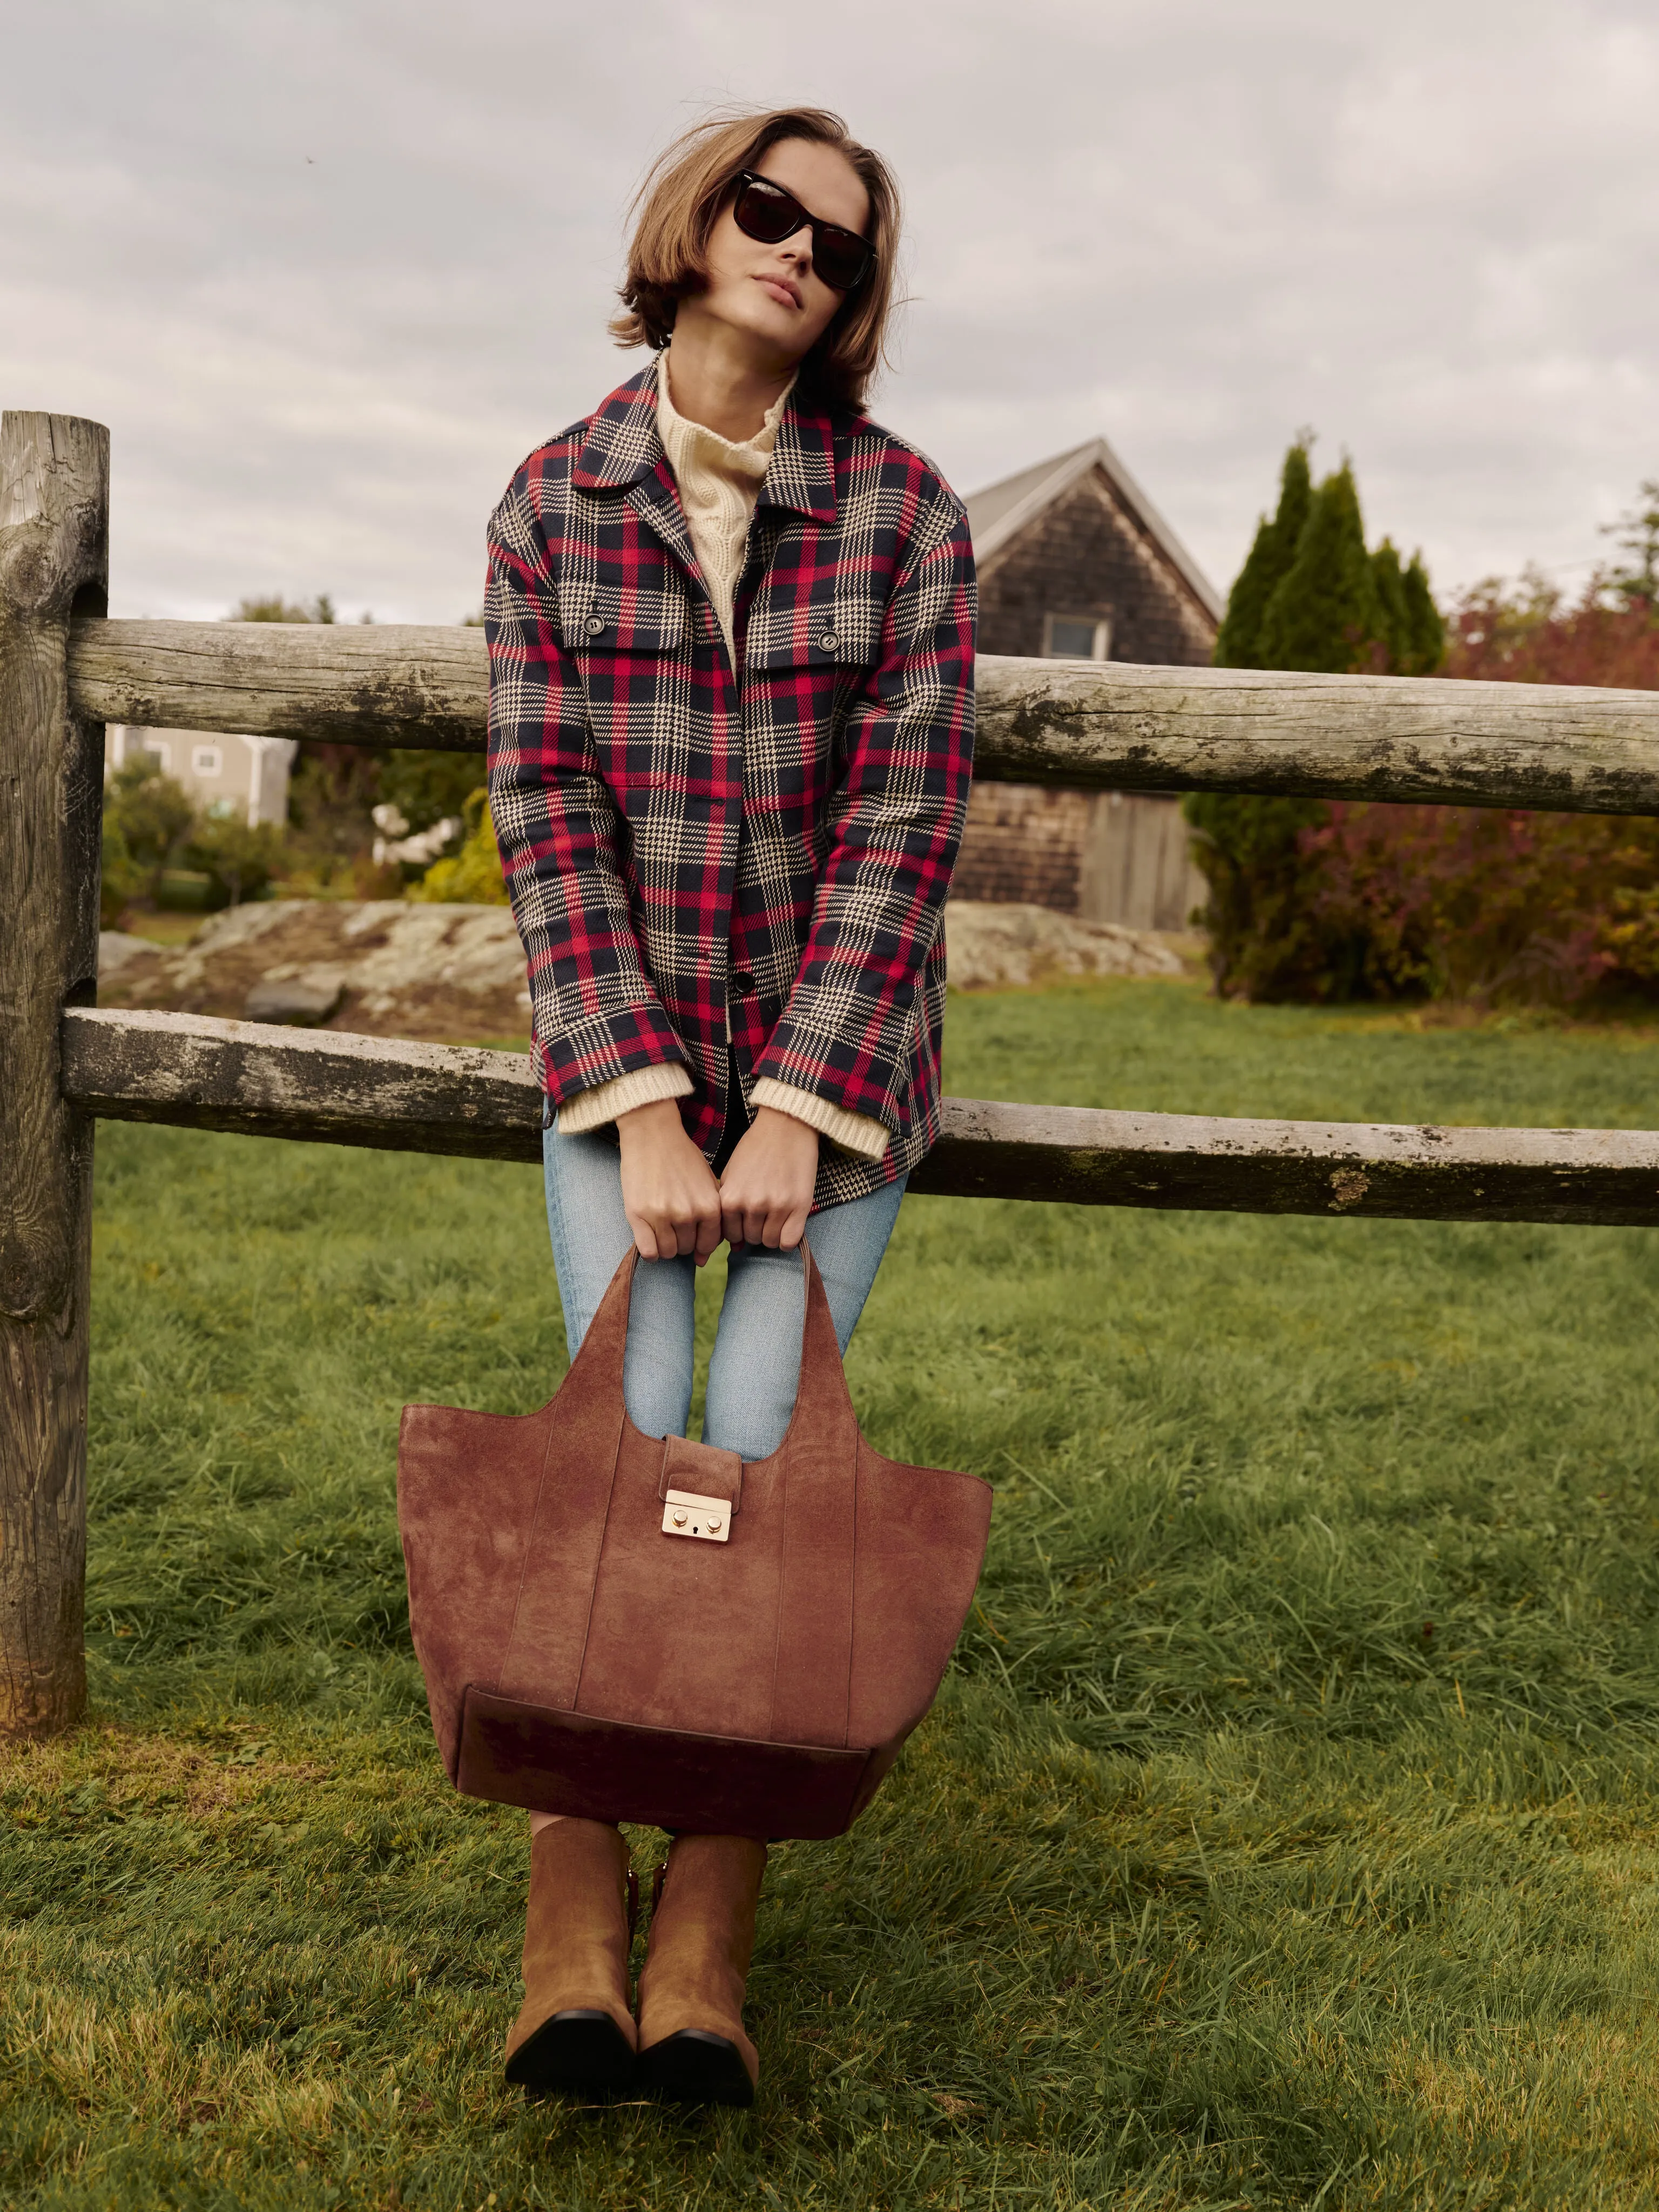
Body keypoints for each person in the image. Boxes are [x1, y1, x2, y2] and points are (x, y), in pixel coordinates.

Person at [484, 104, 976, 2107]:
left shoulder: (907, 515)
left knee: (749, 1444)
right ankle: (569, 1898)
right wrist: (643, 1106)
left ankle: (708, 1929)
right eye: (771, 213)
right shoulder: (551, 502)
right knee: (625, 1443)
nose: (800, 252)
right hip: (628, 1081)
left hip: (835, 1093)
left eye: (841, 247)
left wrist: (792, 1109)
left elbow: (903, 831)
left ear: (853, 302)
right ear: (694, 226)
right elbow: (547, 817)